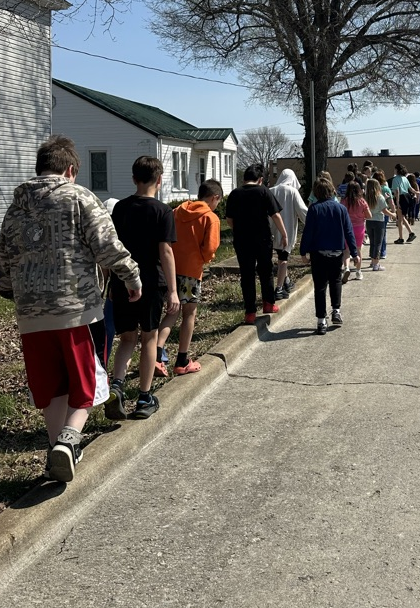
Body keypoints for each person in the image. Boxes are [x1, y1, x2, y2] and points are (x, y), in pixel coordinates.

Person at [0, 135, 142, 483]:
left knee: (52, 386)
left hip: (30, 312)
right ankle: (69, 439)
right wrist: (131, 277)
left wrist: (8, 289)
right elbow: (106, 245)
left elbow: (4, 255)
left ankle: (56, 452)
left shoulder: (16, 206)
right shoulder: (80, 198)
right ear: (71, 170)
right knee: (87, 380)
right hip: (76, 308)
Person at [107, 156, 181, 420]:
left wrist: (110, 282)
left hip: (122, 280)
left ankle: (116, 385)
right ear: (159, 180)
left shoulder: (120, 209)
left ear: (134, 179)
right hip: (150, 281)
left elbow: (112, 248)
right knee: (149, 338)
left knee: (127, 338)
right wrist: (173, 290)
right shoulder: (162, 211)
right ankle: (144, 397)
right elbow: (166, 252)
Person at [155, 179, 223, 376]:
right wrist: (204, 259)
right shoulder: (211, 218)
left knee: (171, 312)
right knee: (189, 315)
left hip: (171, 268)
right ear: (214, 198)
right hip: (191, 272)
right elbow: (210, 249)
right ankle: (182, 360)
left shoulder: (177, 211)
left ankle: (156, 355)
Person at [225, 164, 288, 324]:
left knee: (247, 274)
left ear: (244, 178)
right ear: (260, 179)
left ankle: (250, 313)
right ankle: (268, 304)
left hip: (242, 240)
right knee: (265, 270)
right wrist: (283, 233)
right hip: (263, 238)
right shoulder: (263, 191)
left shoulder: (234, 194)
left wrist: (239, 229)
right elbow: (275, 215)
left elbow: (229, 219)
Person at [299, 176, 358, 334]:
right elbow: (348, 232)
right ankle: (336, 310)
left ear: (316, 192)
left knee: (320, 286)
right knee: (335, 281)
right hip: (336, 252)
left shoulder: (314, 209)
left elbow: (308, 232)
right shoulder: (341, 209)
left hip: (318, 253)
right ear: (331, 191)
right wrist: (354, 252)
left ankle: (321, 320)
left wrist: (303, 251)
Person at [269, 168, 308, 299]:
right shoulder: (292, 192)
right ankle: (279, 288)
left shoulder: (271, 191)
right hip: (288, 230)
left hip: (272, 229)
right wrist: (313, 222)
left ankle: (286, 281)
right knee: (283, 259)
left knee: (280, 256)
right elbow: (302, 211)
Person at [342, 180, 371, 280]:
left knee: (346, 250)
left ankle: (346, 268)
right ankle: (358, 272)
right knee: (358, 249)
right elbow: (369, 216)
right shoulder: (362, 201)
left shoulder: (344, 201)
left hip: (347, 228)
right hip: (359, 228)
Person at [364, 178, 395, 270]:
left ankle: (372, 261)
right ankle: (376, 263)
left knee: (372, 242)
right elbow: (384, 210)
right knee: (378, 243)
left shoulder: (366, 197)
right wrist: (393, 214)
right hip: (379, 221)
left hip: (369, 221)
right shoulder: (379, 197)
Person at [391, 164, 418, 243]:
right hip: (407, 197)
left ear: (397, 170)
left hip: (401, 198)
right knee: (402, 217)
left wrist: (397, 202)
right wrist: (416, 192)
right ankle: (410, 233)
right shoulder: (405, 178)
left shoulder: (395, 179)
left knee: (400, 219)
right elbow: (410, 188)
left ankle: (401, 238)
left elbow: (397, 191)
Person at [373, 169, 395, 259]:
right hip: (383, 212)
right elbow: (391, 202)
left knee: (373, 235)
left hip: (372, 213)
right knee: (383, 233)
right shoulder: (386, 189)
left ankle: (374, 253)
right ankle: (382, 252)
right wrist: (393, 212)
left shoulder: (371, 189)